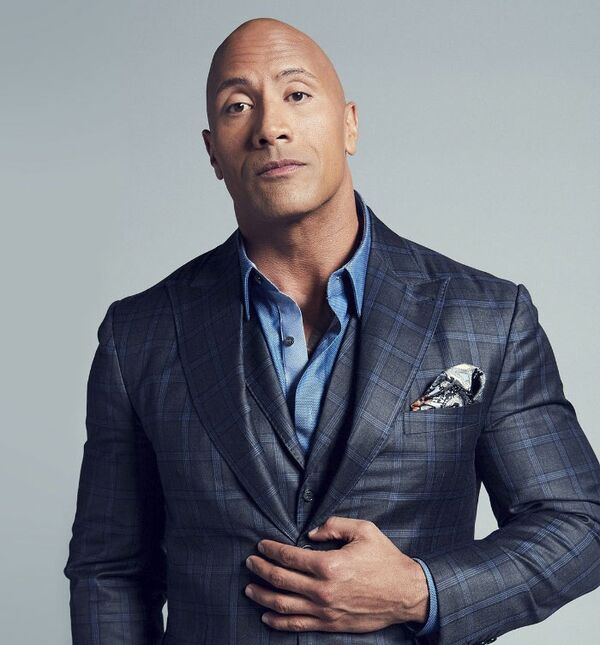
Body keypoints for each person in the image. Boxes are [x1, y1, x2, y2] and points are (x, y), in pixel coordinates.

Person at [64, 16, 600, 645]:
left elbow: (577, 525)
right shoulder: (139, 335)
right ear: (213, 152)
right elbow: (110, 571)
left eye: (296, 94)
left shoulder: (485, 316)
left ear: (349, 125)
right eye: (239, 106)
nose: (270, 127)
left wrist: (418, 591)